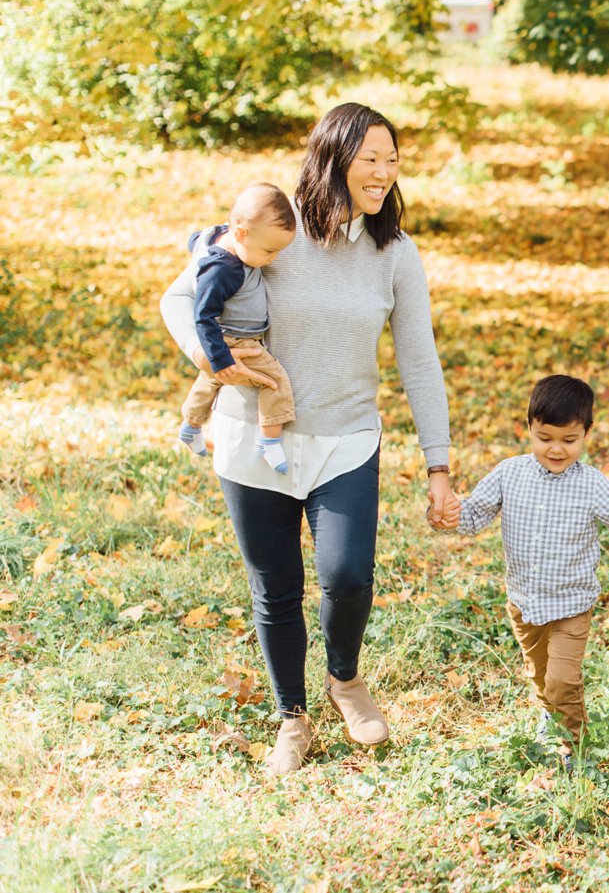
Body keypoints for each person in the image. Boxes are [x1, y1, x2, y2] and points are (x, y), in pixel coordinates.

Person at [160, 102, 460, 778]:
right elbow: (180, 299)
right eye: (370, 158)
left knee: (348, 577)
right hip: (253, 439)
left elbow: (419, 359)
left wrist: (438, 463)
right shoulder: (275, 227)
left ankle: (345, 679)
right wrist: (214, 360)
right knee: (275, 588)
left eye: (392, 159)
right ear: (334, 157)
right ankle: (291, 716)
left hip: (346, 437)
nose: (384, 172)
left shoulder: (394, 253)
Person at [438, 375, 609, 762]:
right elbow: (473, 515)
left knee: (562, 679)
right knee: (539, 675)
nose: (555, 449)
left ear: (586, 433)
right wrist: (449, 512)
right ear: (529, 429)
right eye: (544, 437)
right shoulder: (509, 473)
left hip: (571, 605)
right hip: (524, 603)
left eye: (569, 440)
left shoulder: (590, 485)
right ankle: (548, 715)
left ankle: (576, 744)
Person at [178, 182, 298, 475]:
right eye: (269, 251)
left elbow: (196, 239)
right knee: (274, 380)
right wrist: (220, 358)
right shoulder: (223, 270)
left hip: (228, 336)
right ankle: (269, 440)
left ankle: (190, 426)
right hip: (239, 338)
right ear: (241, 234)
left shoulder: (217, 236)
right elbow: (203, 315)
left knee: (209, 381)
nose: (273, 259)